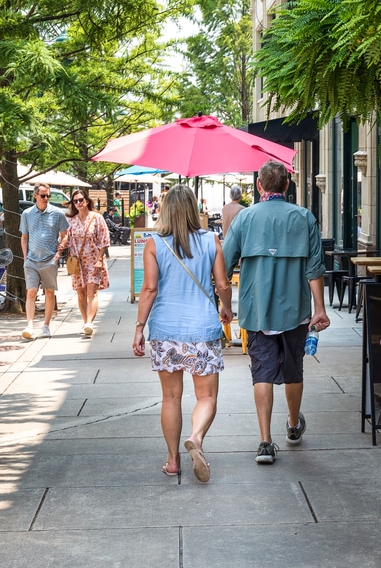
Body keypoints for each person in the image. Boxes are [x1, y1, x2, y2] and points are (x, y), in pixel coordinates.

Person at [223, 160, 330, 465]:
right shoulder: (304, 218)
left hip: (256, 312)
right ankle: (294, 425)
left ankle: (265, 442)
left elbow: (225, 266)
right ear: (287, 186)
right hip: (295, 311)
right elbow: (314, 269)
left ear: (259, 186)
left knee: (262, 372)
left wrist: (224, 304)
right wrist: (319, 309)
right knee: (294, 370)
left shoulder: (244, 219)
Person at [133, 184, 233, 483]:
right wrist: (226, 309)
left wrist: (139, 327)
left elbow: (150, 288)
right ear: (193, 209)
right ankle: (197, 438)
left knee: (170, 398)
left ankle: (173, 460)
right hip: (202, 329)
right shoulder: (211, 240)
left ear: (164, 210)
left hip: (165, 330)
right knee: (206, 396)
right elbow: (223, 285)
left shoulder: (153, 244)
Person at [20, 183, 69, 340]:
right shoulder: (27, 214)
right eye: (43, 196)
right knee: (31, 292)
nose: (46, 198)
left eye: (48, 195)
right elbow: (24, 237)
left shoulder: (57, 213)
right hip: (32, 260)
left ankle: (46, 325)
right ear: (35, 196)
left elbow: (65, 234)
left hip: (49, 260)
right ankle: (29, 325)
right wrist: (25, 257)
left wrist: (58, 253)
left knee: (49, 292)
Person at [65, 188, 111, 336]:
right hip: (77, 262)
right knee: (80, 294)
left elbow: (104, 241)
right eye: (75, 201)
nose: (78, 203)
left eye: (81, 200)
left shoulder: (97, 218)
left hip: (93, 260)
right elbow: (66, 240)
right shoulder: (71, 221)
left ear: (86, 201)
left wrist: (99, 260)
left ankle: (90, 322)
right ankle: (85, 323)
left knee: (92, 292)